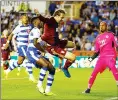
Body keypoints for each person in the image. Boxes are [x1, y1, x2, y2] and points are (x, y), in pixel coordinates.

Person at [34, 9, 76, 78]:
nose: (62, 19)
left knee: (72, 44)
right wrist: (38, 14)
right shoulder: (51, 20)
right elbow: (44, 19)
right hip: (53, 47)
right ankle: (65, 68)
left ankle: (60, 55)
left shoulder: (56, 23)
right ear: (56, 16)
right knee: (73, 57)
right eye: (61, 17)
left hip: (57, 42)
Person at [83, 21, 118, 93]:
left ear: (106, 27)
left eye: (103, 25)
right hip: (101, 58)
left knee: (113, 67)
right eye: (100, 25)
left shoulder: (111, 35)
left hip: (110, 55)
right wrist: (90, 59)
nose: (101, 27)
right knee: (94, 72)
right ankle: (88, 88)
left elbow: (116, 46)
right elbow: (97, 52)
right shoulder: (98, 38)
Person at [26, 17, 56, 95]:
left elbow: (39, 43)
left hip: (37, 52)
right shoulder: (36, 30)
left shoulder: (38, 31)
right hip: (32, 52)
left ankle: (48, 90)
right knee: (45, 64)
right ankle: (39, 85)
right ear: (35, 22)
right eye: (40, 20)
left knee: (52, 69)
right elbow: (35, 43)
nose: (42, 22)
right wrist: (45, 52)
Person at [3, 14, 32, 79]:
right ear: (21, 19)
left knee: (20, 61)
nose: (26, 19)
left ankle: (8, 70)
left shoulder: (30, 27)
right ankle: (31, 75)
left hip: (27, 46)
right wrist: (7, 43)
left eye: (27, 18)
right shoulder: (19, 27)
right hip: (21, 46)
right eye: (24, 18)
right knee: (29, 57)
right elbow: (11, 35)